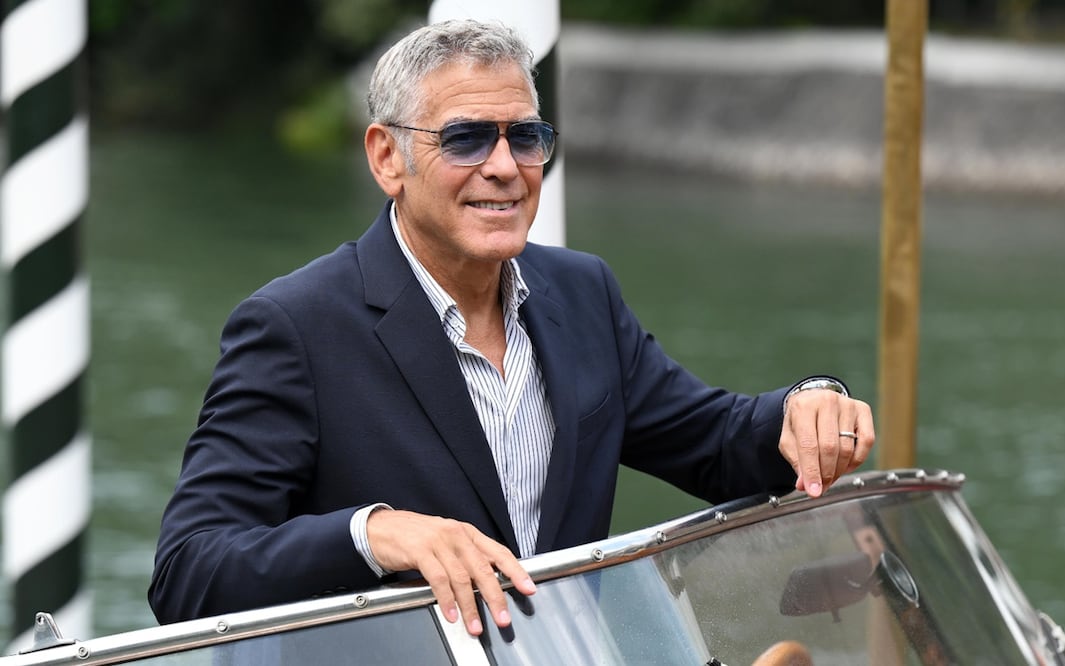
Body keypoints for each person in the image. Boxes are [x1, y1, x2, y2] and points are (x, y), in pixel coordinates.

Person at [148, 19, 875, 637]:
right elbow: (189, 572)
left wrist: (808, 404)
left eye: (524, 137)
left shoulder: (583, 292)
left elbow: (715, 442)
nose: (504, 167)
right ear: (387, 158)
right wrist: (376, 533)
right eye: (466, 139)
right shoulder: (294, 326)